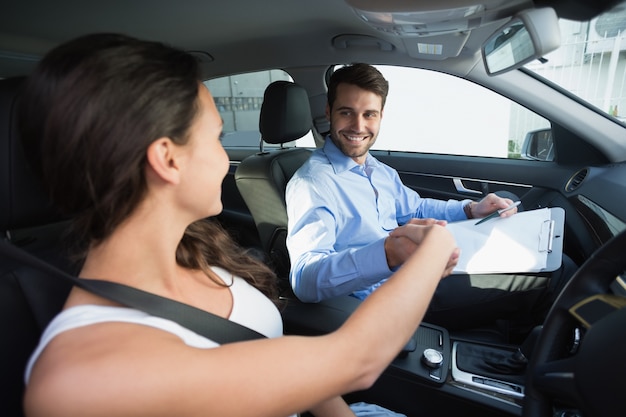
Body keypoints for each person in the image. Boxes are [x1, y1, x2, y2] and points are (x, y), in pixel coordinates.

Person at [19, 34, 459, 417]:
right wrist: (430, 250)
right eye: (217, 137)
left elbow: (278, 363)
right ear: (167, 159)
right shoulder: (80, 380)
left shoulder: (196, 249)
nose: (224, 157)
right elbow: (356, 361)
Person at [286, 63, 572, 333]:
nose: (358, 126)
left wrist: (471, 209)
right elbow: (304, 278)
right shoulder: (314, 183)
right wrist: (387, 254)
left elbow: (415, 207)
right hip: (389, 300)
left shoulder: (376, 169)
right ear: (329, 112)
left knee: (512, 218)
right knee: (555, 273)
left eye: (369, 114)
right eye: (346, 112)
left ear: (381, 116)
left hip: (417, 270)